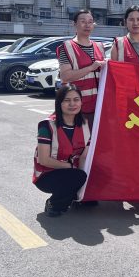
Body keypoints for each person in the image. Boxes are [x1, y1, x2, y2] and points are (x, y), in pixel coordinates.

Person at [33, 84, 90, 217]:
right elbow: (44, 160)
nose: (72, 104)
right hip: (46, 175)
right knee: (78, 177)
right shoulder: (47, 125)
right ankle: (53, 204)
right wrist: (71, 168)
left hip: (71, 172)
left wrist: (83, 184)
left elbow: (83, 157)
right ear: (59, 103)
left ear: (81, 102)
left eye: (76, 100)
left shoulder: (85, 124)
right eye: (67, 100)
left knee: (86, 177)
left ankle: (74, 194)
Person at [58, 9, 106, 127]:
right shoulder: (67, 47)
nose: (87, 25)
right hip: (76, 107)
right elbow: (65, 76)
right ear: (74, 24)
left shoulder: (100, 46)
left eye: (90, 22)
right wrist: (91, 67)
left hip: (98, 106)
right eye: (83, 21)